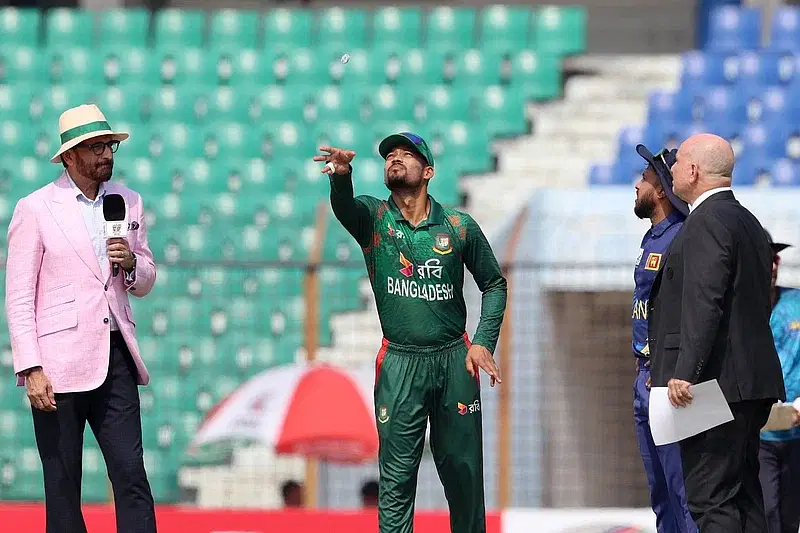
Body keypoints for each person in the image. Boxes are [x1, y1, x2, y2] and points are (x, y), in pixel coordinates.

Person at [314, 132, 507, 533]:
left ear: (429, 171)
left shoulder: (457, 226)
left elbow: (494, 284)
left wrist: (483, 343)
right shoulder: (373, 218)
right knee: (397, 481)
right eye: (389, 156)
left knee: (464, 477)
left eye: (406, 155)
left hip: (455, 360)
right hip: (400, 363)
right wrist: (341, 176)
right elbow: (344, 206)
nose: (395, 159)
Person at [5, 104, 157, 533]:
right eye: (95, 147)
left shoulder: (128, 202)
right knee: (62, 483)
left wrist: (130, 263)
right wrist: (31, 367)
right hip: (56, 365)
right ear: (69, 156)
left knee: (131, 474)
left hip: (116, 355)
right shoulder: (34, 208)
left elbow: (145, 279)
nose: (106, 154)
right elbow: (18, 297)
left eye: (109, 145)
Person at [649, 132, 785, 533]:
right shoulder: (747, 221)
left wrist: (686, 370)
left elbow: (705, 301)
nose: (670, 170)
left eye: (676, 163)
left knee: (711, 498)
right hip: (749, 383)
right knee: (743, 495)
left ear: (692, 170)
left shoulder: (707, 221)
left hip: (714, 385)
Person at [631, 145, 696, 533]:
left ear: (660, 190)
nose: (637, 185)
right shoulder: (652, 238)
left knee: (682, 489)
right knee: (659, 492)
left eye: (644, 179)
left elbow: (692, 311)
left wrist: (670, 365)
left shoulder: (682, 239)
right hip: (644, 377)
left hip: (668, 380)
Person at [758, 232, 800, 533]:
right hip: (758, 438)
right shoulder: (737, 311)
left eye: (774, 259)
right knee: (768, 514)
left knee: (790, 516)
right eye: (764, 259)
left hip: (797, 432)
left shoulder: (796, 304)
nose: (772, 266)